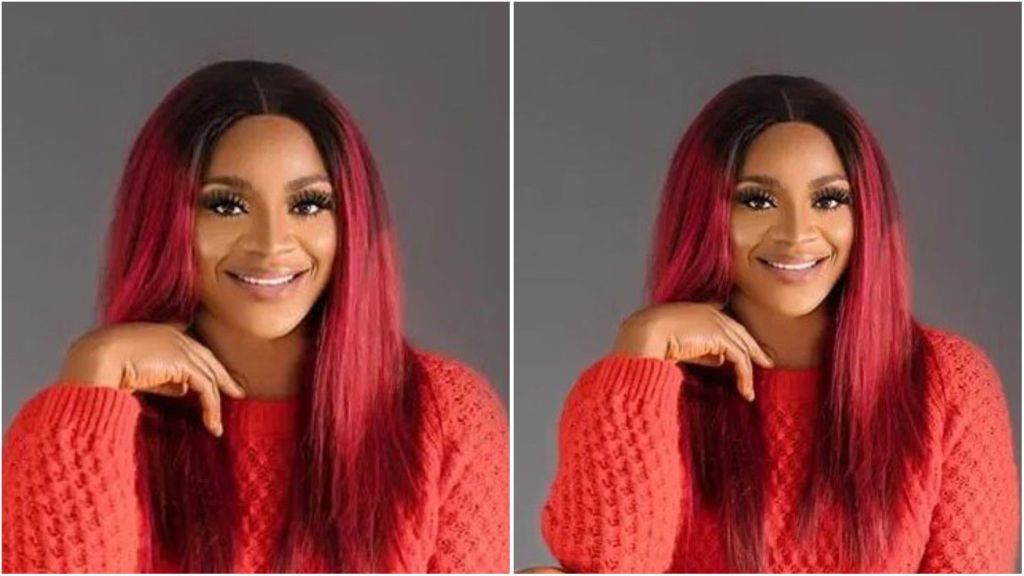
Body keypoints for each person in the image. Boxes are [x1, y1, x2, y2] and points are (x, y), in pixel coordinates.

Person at [2, 60, 509, 573]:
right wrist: (95, 371)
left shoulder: (447, 416)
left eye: (308, 205)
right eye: (226, 206)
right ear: (165, 221)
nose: (271, 245)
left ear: (351, 221)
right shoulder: (78, 426)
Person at [541, 74, 1019, 573]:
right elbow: (610, 568)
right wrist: (642, 345)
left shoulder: (951, 385)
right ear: (705, 215)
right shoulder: (639, 390)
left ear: (867, 215)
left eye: (829, 200)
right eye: (757, 200)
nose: (797, 234)